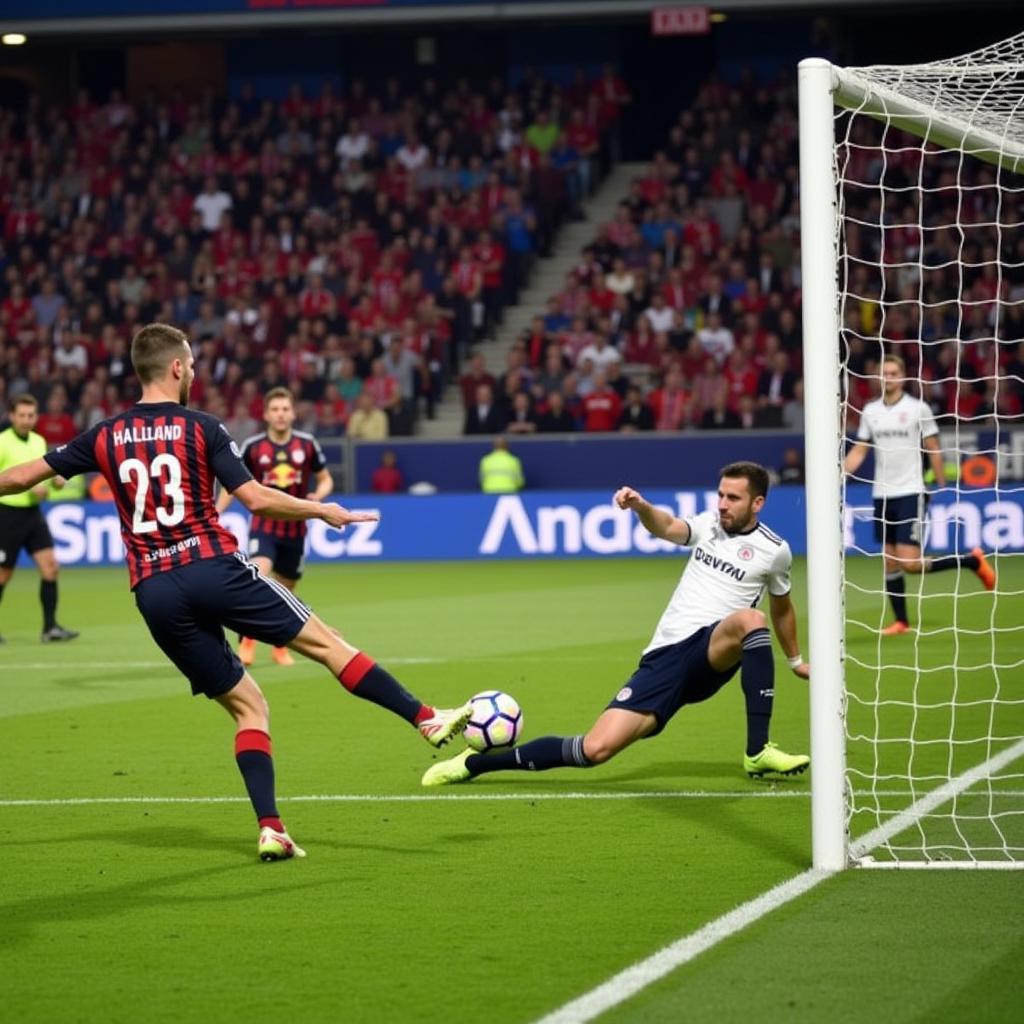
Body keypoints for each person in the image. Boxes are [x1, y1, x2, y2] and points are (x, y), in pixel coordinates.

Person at [0, 324, 472, 861]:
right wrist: (323, 509)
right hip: (212, 567)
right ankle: (424, 717)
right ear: (177, 368)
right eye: (193, 364)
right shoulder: (202, 427)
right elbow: (255, 499)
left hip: (154, 591)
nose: (195, 372)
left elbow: (17, 480)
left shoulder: (102, 434)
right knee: (325, 642)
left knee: (249, 707)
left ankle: (271, 827)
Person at [423, 462, 810, 787]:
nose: (723, 504)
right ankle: (475, 765)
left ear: (757, 502)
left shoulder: (774, 550)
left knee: (750, 619)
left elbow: (782, 608)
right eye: (721, 495)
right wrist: (642, 507)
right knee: (594, 749)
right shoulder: (708, 525)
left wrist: (795, 661)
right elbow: (668, 526)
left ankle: (757, 750)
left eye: (733, 498)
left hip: (714, 652)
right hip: (667, 656)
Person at [843, 354, 995, 635]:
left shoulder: (918, 409)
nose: (888, 377)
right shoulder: (870, 411)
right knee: (890, 560)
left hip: (911, 490)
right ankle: (901, 621)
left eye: (893, 372)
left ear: (902, 377)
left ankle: (972, 560)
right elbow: (860, 450)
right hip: (882, 494)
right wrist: (840, 474)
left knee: (910, 563)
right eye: (884, 373)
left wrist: (941, 484)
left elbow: (934, 447)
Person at [215, 387, 333, 669]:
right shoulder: (253, 447)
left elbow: (325, 478)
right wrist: (216, 512)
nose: (280, 414)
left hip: (295, 531)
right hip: (264, 527)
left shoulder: (307, 445)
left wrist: (320, 495)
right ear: (267, 415)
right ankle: (247, 642)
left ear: (293, 413)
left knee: (286, 590)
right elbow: (233, 483)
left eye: (285, 409)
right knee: (258, 575)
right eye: (275, 409)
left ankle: (280, 648)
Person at [0, 394, 79, 644]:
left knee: (50, 568)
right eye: (21, 415)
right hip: (7, 514)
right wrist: (25, 488)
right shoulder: (2, 442)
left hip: (33, 515)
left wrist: (56, 481)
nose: (26, 420)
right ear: (12, 416)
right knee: (3, 575)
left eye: (31, 415)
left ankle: (50, 628)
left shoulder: (39, 441)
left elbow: (44, 479)